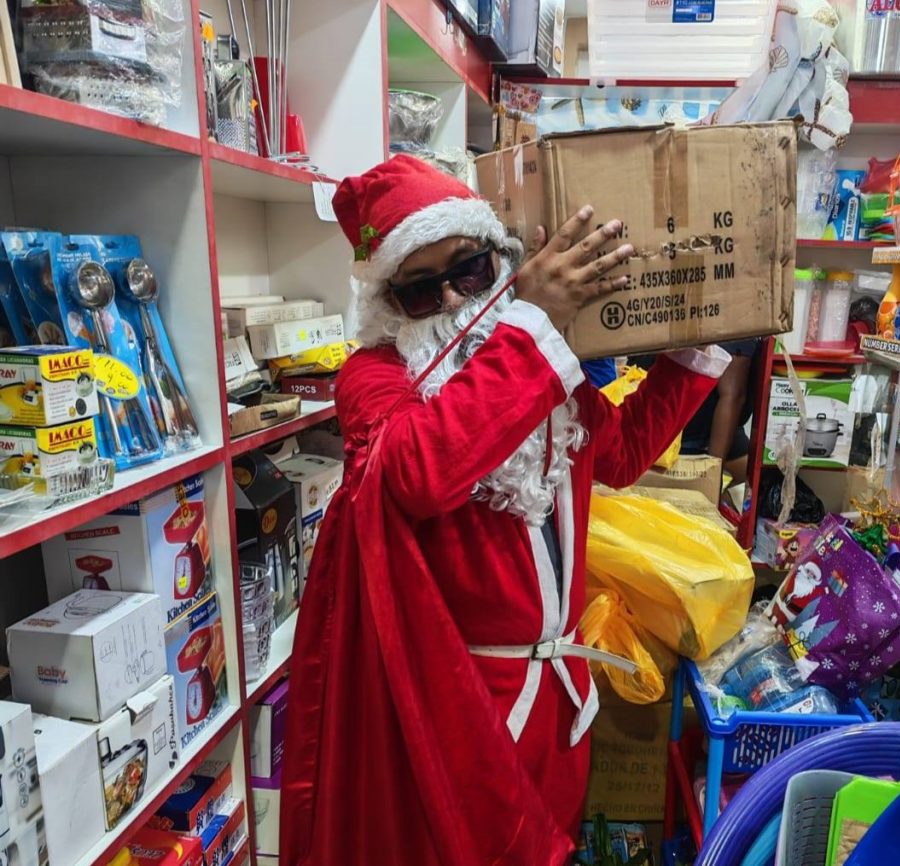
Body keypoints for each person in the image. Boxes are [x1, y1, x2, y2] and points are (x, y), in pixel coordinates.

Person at [280, 155, 730, 866]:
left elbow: (618, 455)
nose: (456, 302)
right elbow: (420, 473)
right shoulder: (375, 377)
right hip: (463, 709)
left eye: (469, 271)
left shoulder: (538, 358)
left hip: (558, 698)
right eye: (423, 291)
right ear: (391, 303)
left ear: (501, 259)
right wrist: (534, 324)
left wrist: (698, 343)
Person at [632, 338, 760, 483]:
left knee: (754, 478)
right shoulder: (735, 326)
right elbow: (733, 396)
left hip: (668, 419)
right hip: (686, 433)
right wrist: (712, 475)